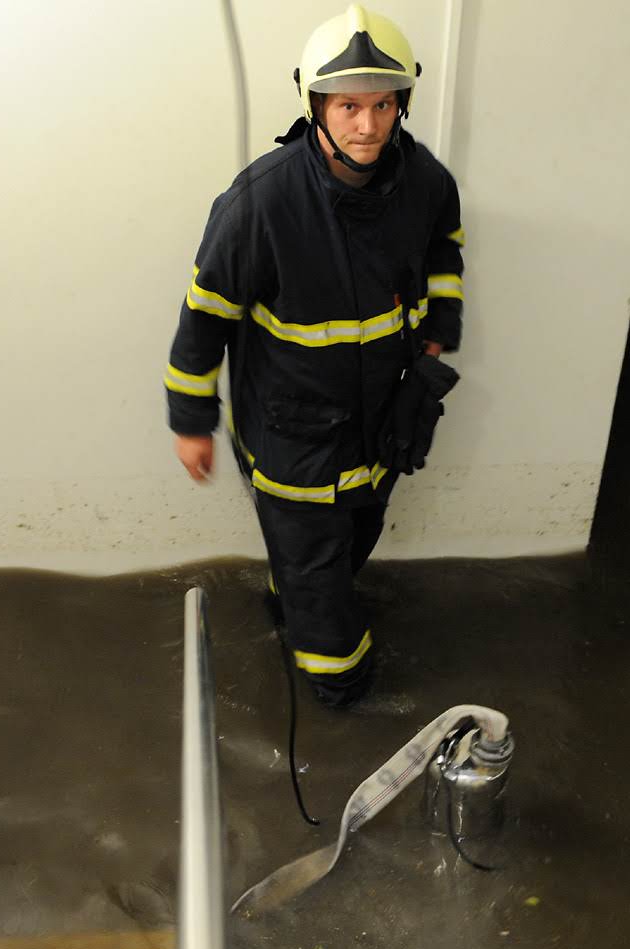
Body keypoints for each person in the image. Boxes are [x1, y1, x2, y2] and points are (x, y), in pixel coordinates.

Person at [163, 4, 465, 707]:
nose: (368, 126)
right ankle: (340, 689)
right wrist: (190, 422)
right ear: (316, 104)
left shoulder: (426, 182)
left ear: (402, 102)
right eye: (349, 106)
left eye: (383, 104)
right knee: (322, 585)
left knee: (353, 537)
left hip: (382, 416)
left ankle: (289, 595)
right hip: (293, 429)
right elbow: (204, 319)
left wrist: (437, 333)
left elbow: (443, 250)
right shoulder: (260, 204)